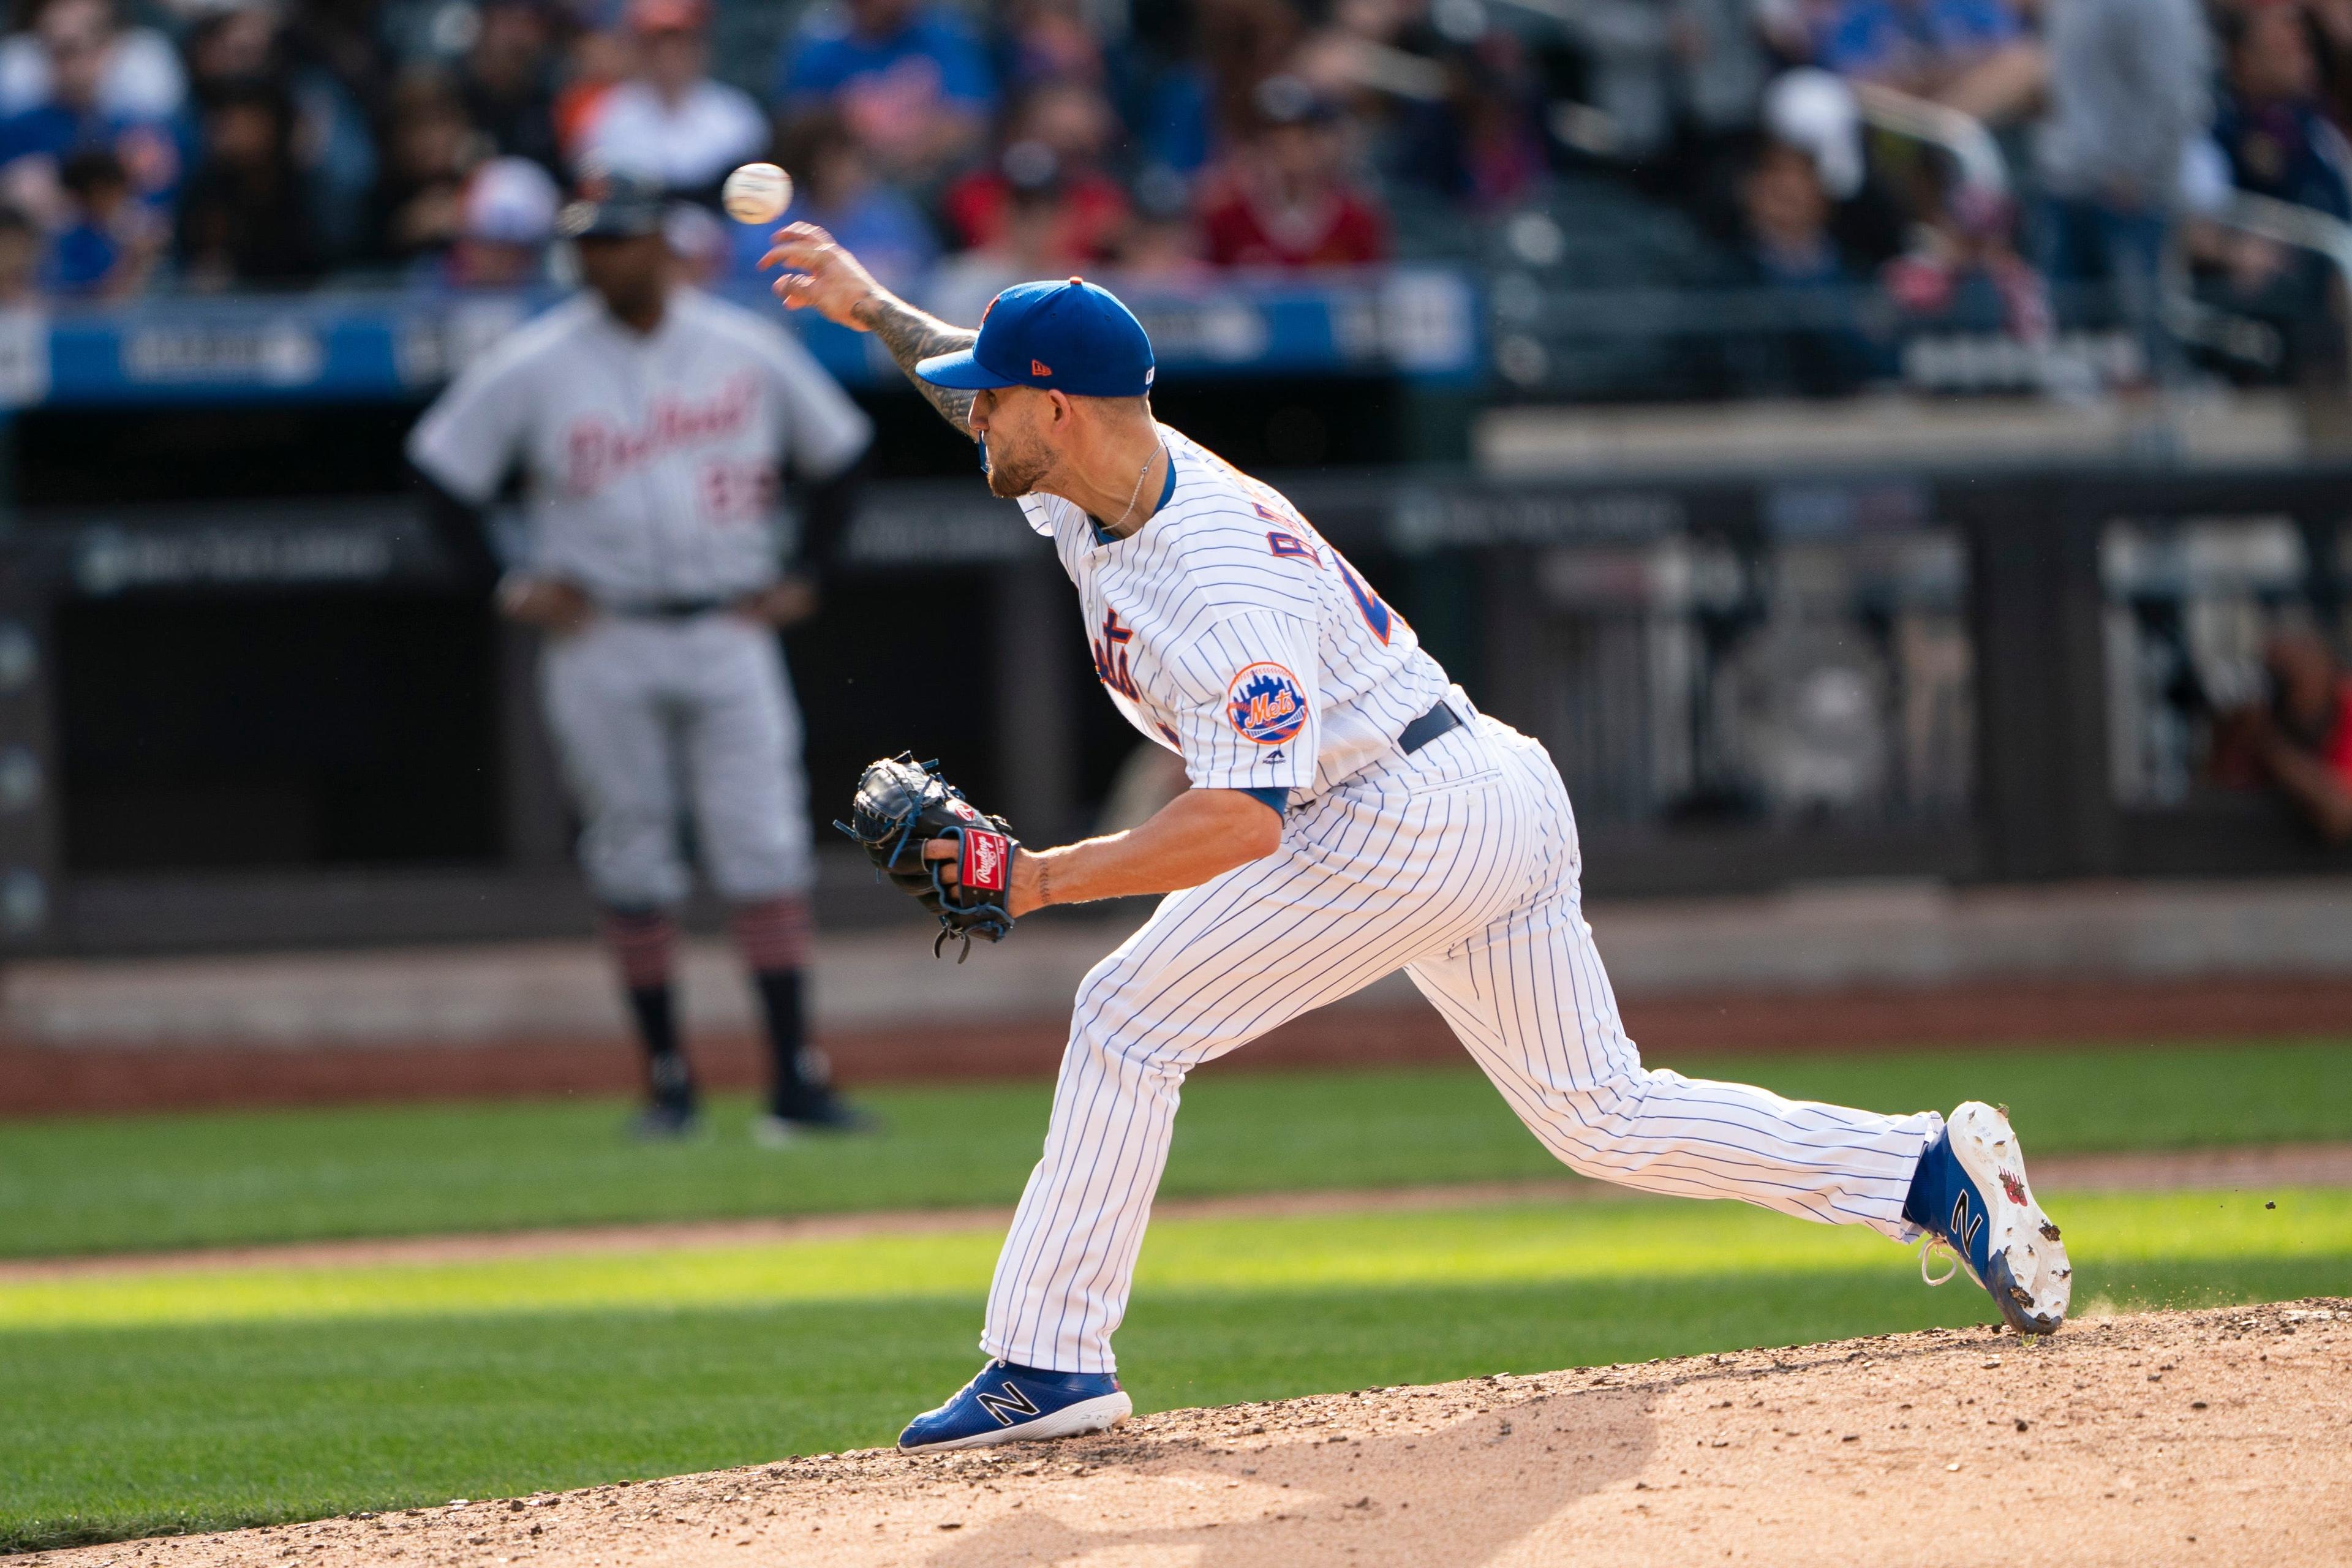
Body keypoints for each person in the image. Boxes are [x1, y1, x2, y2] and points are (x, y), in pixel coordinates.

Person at [761, 222, 2076, 1450]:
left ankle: (1048, 1362)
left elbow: (1238, 819)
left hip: (1406, 813)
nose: (972, 406)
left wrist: (1042, 881)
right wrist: (867, 302)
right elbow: (950, 378)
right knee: (1600, 1115)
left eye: (1000, 392)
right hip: (1480, 784)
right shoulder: (1086, 473)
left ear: (1057, 407)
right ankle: (1922, 1169)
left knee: (1125, 1012)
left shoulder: (1217, 581)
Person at [407, 172, 878, 1142]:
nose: (602, 257)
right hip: (602, 632)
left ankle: (794, 1081)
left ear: (664, 245)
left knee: (765, 849)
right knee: (630, 854)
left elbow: (842, 453)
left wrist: (808, 574)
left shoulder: (742, 346)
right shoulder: (536, 361)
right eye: (588, 242)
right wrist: (506, 581)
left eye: (619, 239)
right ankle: (669, 1088)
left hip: (727, 626)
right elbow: (440, 474)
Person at [772, 0, 994, 183]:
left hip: (927, 181)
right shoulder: (822, 51)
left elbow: (968, 124)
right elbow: (801, 130)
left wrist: (899, 153)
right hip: (848, 183)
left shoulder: (944, 39)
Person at [581, 0, 766, 198]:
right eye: (656, 45)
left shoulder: (737, 115)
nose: (668, 56)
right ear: (640, 50)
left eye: (681, 44)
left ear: (701, 47)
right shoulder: (608, 114)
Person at [2215, 628, 2352, 843]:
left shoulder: (2346, 706)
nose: (2287, 683)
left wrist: (2272, 745)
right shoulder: (2258, 717)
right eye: (2277, 673)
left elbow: (2340, 816)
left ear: (2327, 668)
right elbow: (2219, 795)